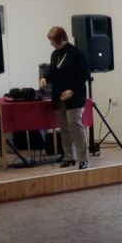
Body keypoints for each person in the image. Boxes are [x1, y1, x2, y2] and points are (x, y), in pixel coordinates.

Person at [39, 26, 90, 169]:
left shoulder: (76, 53)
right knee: (64, 128)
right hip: (59, 97)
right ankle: (69, 156)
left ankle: (83, 158)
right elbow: (53, 73)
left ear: (61, 39)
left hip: (75, 96)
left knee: (75, 126)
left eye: (53, 41)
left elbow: (84, 75)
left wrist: (72, 91)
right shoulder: (55, 54)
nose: (51, 44)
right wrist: (45, 79)